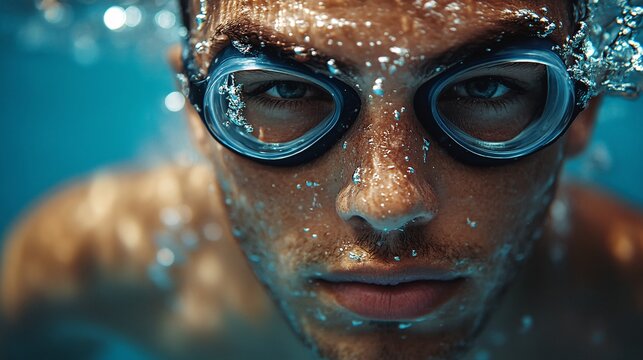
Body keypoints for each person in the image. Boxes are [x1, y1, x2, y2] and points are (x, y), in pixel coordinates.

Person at [2, 0, 643, 359]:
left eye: (486, 87)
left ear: (583, 107)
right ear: (198, 110)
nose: (388, 203)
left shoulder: (628, 297)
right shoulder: (77, 263)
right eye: (282, 88)